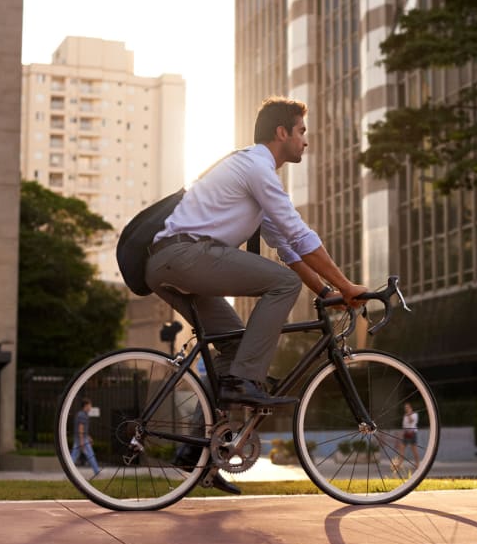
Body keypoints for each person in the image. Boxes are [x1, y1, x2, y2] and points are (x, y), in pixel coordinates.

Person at [146, 96, 368, 495]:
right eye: (302, 131)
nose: (306, 140)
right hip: (184, 255)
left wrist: (329, 293)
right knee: (282, 285)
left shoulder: (253, 175)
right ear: (281, 132)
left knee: (233, 348)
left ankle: (197, 458)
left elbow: (288, 246)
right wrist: (349, 286)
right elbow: (300, 233)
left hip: (172, 262)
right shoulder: (256, 166)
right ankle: (246, 381)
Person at [70, 399, 100, 477]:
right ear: (86, 405)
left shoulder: (83, 414)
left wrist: (88, 437)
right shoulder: (82, 415)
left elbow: (83, 429)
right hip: (81, 438)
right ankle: (97, 471)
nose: (91, 407)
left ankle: (69, 470)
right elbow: (81, 428)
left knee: (74, 455)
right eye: (90, 405)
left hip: (81, 438)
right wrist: (82, 441)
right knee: (90, 454)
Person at [394, 402, 420, 476]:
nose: (406, 409)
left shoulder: (414, 415)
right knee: (401, 450)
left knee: (414, 450)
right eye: (405, 408)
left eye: (407, 407)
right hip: (406, 434)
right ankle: (399, 465)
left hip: (412, 433)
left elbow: (411, 421)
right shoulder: (405, 416)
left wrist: (409, 414)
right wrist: (402, 435)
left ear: (411, 408)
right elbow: (404, 426)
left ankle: (418, 464)